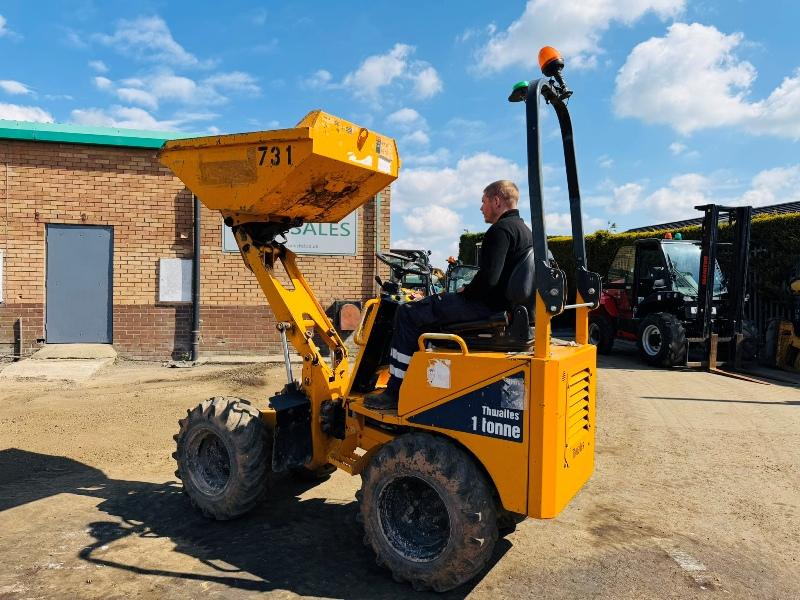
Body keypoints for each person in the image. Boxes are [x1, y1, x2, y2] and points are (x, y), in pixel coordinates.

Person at [364, 180, 533, 410]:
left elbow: (489, 280)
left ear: (497, 201)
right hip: (504, 307)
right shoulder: (524, 231)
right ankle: (416, 378)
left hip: (486, 306)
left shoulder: (501, 231)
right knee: (425, 314)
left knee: (407, 312)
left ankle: (394, 392)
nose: (481, 208)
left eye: (483, 202)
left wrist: (466, 291)